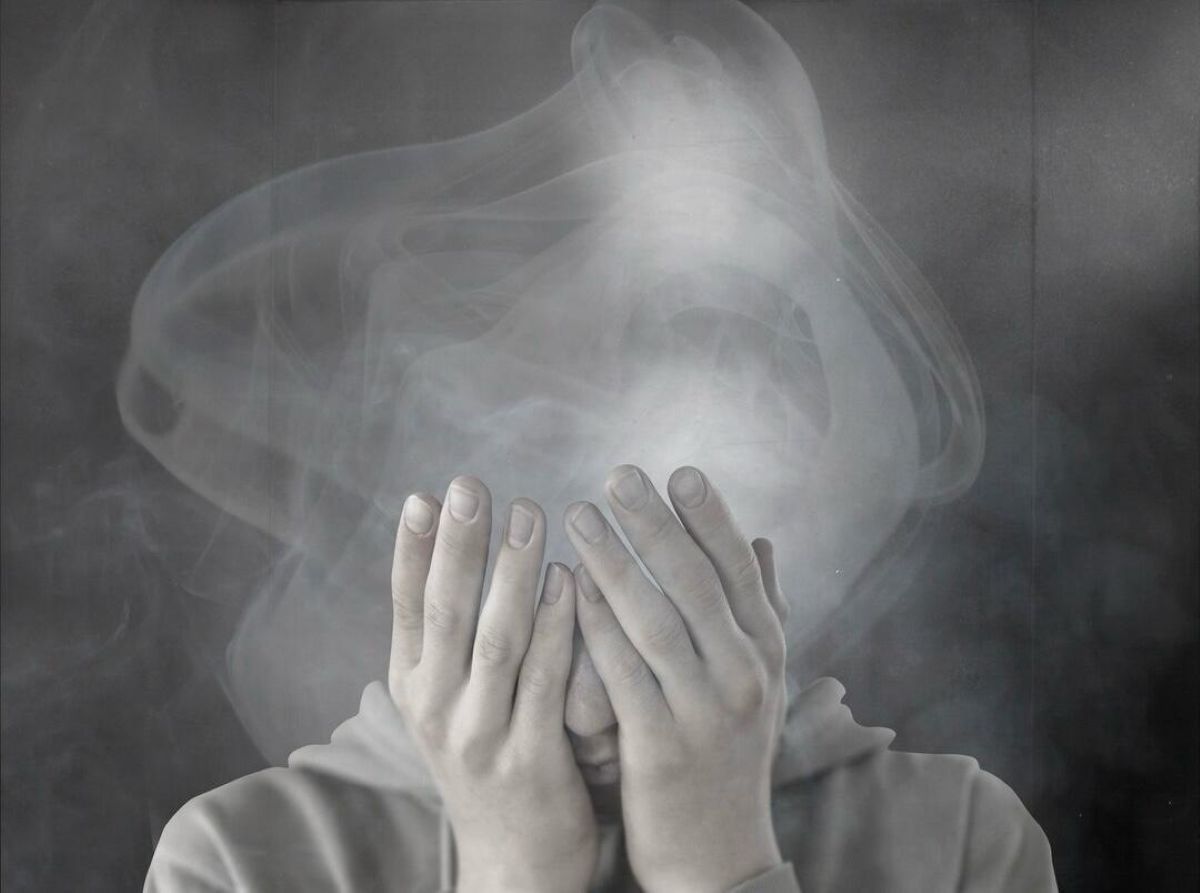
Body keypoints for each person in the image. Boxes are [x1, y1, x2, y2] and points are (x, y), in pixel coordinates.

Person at [145, 465, 1057, 892]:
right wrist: (514, 875)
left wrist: (718, 867)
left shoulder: (958, 842)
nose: (590, 709)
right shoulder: (241, 861)